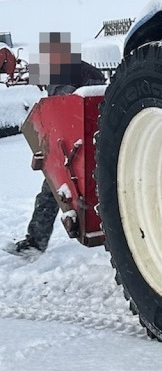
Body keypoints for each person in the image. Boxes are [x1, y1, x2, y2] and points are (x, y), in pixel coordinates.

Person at [4, 33, 106, 259]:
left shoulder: (61, 75)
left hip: (76, 148)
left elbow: (62, 115)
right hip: (102, 141)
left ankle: (34, 243)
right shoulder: (88, 70)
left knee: (52, 190)